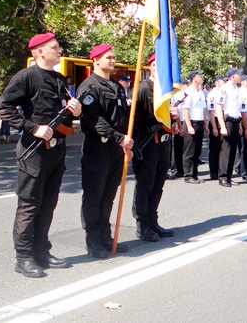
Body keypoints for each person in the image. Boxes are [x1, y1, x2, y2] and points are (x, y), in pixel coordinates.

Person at [0, 32, 81, 278]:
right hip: (33, 152)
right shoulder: (26, 76)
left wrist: (75, 109)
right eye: (55, 47)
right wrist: (33, 128)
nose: (60, 50)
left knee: (48, 203)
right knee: (30, 205)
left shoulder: (58, 78)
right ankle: (23, 258)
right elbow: (5, 109)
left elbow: (64, 111)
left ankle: (42, 251)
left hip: (56, 149)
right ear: (40, 51)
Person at [77, 44, 135, 258]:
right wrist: (121, 139)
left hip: (116, 149)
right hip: (97, 148)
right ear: (96, 60)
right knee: (94, 195)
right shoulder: (89, 87)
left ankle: (105, 236)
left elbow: (123, 118)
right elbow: (95, 121)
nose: (113, 60)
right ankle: (93, 241)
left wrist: (126, 144)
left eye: (113, 57)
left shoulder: (117, 87)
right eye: (108, 57)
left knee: (109, 195)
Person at [131, 54, 177, 242]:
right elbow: (134, 118)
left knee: (158, 185)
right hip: (147, 144)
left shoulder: (164, 91)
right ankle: (142, 225)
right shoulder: (142, 89)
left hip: (164, 142)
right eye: (157, 65)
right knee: (145, 186)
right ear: (150, 66)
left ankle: (153, 220)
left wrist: (172, 116)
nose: (160, 68)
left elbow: (167, 117)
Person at [216, 68, 242, 187]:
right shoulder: (224, 89)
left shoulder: (236, 88)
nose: (240, 76)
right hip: (228, 121)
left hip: (236, 120)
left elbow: (237, 108)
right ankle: (222, 176)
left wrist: (240, 125)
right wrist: (222, 126)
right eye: (238, 74)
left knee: (233, 150)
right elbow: (219, 108)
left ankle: (229, 176)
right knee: (226, 150)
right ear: (232, 76)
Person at [182, 71, 207, 184]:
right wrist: (188, 125)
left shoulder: (201, 92)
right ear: (193, 78)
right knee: (189, 151)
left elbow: (203, 110)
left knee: (197, 151)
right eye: (199, 76)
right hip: (191, 122)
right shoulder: (188, 91)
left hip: (200, 122)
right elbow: (185, 109)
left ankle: (195, 174)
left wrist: (206, 124)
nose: (201, 78)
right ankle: (188, 175)